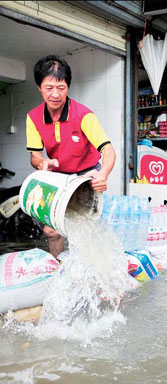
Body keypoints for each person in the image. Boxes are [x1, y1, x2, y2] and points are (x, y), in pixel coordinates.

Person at [26, 55, 116, 258]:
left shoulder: (84, 115)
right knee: (51, 230)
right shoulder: (33, 117)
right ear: (39, 87)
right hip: (58, 178)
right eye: (49, 88)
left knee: (84, 230)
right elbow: (34, 157)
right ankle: (60, 269)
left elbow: (108, 149)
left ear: (68, 87)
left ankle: (89, 274)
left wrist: (104, 175)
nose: (56, 94)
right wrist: (42, 163)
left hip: (86, 175)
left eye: (61, 87)